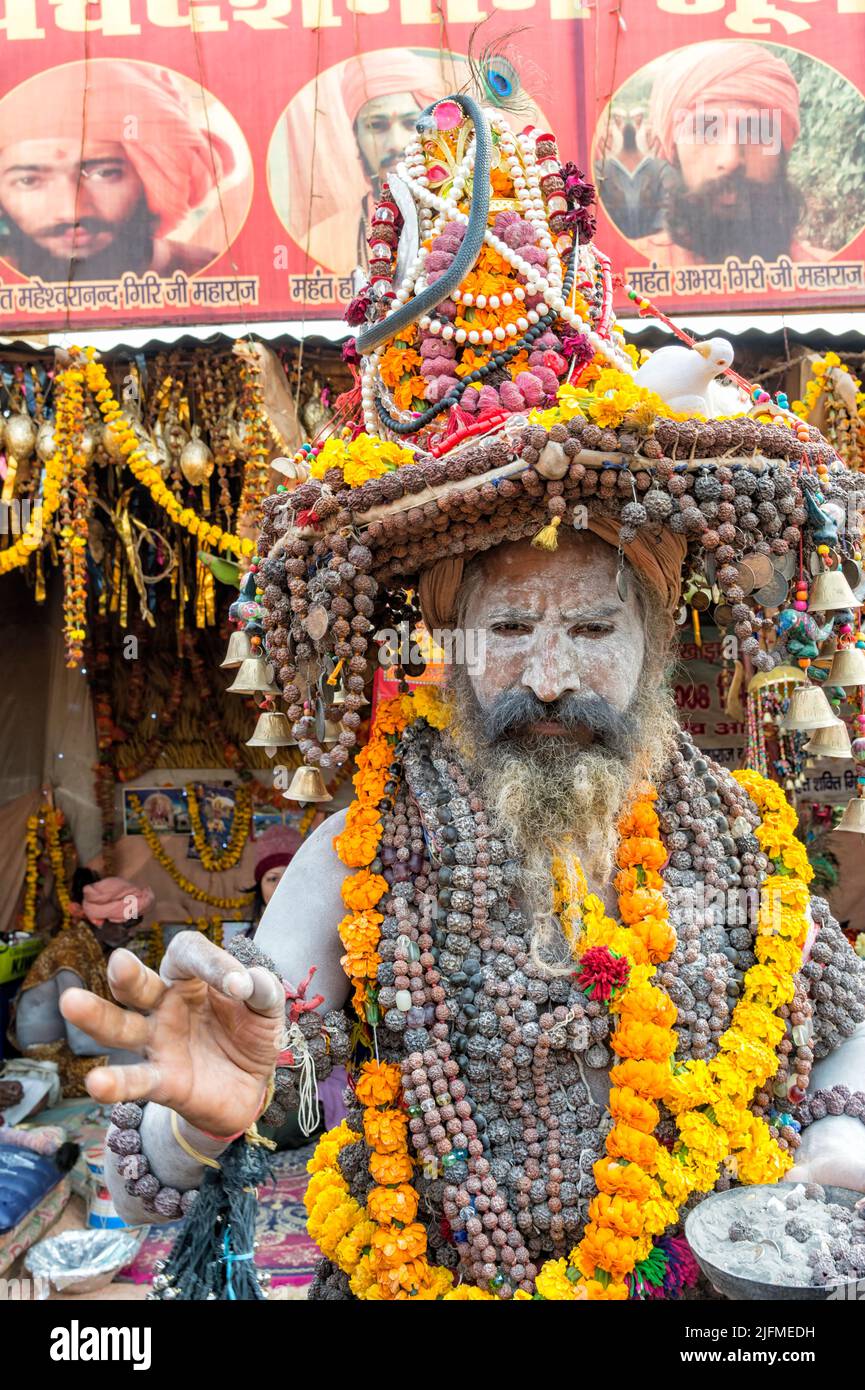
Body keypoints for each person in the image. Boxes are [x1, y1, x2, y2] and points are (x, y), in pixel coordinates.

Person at [63, 93, 865, 1302]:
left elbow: (845, 1019)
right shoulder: (359, 856)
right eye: (508, 627)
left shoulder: (748, 843)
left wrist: (839, 1139)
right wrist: (200, 1124)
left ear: (658, 638)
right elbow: (188, 1133)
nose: (550, 675)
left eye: (594, 626)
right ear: (443, 634)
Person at [0, 62, 234, 282]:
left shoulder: (222, 277)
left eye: (104, 173)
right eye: (28, 181)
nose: (72, 212)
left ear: (151, 180)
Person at [271, 49, 473, 277]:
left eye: (410, 123)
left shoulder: (469, 221)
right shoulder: (320, 239)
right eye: (376, 126)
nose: (396, 144)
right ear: (356, 137)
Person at [631, 41, 830, 267]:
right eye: (705, 131)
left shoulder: (836, 276)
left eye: (756, 132)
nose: (731, 159)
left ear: (782, 150)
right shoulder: (621, 273)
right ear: (674, 153)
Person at [11, 877, 153, 1096]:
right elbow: (80, 1043)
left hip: (76, 1048)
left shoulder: (95, 948)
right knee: (146, 1061)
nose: (133, 932)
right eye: (127, 924)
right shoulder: (70, 954)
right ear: (100, 921)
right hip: (52, 1058)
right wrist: (141, 1044)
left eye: (136, 922)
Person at [595, 109, 675, 241]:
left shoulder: (662, 171)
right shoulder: (599, 171)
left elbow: (667, 216)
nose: (628, 127)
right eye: (617, 120)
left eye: (639, 119)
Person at [247, 824, 303, 935]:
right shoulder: (245, 944)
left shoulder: (328, 938)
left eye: (289, 878)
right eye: (273, 879)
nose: (280, 887)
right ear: (260, 887)